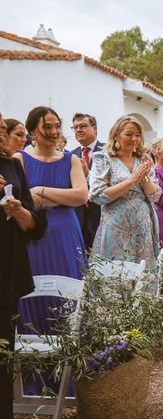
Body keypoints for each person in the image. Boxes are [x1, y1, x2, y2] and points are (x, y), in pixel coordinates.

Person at [15, 107, 87, 394]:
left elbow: (81, 196)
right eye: (48, 127)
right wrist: (60, 197)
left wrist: (41, 192)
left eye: (57, 126)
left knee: (68, 300)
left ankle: (70, 380)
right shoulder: (19, 160)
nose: (55, 132)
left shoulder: (72, 160)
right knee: (33, 299)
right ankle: (34, 382)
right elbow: (21, 201)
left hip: (66, 239)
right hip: (33, 239)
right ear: (33, 130)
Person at [0, 111, 47, 419]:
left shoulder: (14, 166)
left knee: (3, 353)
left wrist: (17, 211)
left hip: (7, 270)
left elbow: (34, 227)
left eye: (2, 128)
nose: (0, 134)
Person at [89, 115, 160, 269]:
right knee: (115, 272)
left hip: (142, 226)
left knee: (142, 276)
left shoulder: (144, 159)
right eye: (129, 134)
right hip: (116, 227)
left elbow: (154, 196)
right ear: (116, 135)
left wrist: (143, 177)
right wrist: (131, 180)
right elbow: (97, 195)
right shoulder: (103, 158)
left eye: (137, 134)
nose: (134, 138)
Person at [70, 113, 105, 251]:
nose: (79, 130)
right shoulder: (70, 155)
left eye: (83, 126)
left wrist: (87, 174)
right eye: (75, 127)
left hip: (101, 213)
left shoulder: (107, 151)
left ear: (94, 129)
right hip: (78, 215)